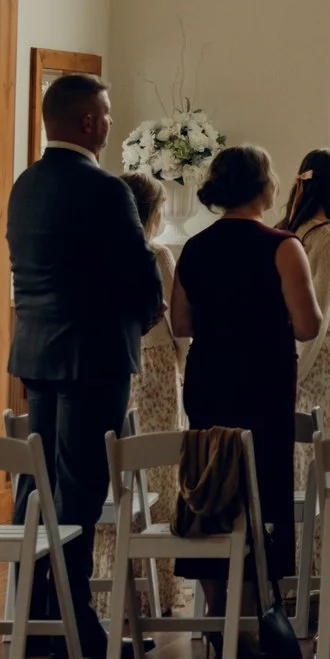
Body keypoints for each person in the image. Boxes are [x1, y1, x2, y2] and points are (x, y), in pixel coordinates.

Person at [5, 72, 165, 659]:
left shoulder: (26, 184)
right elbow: (139, 274)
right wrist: (146, 316)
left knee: (39, 484)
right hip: (92, 356)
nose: (111, 121)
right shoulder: (104, 191)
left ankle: (33, 612)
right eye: (107, 112)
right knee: (78, 494)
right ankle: (79, 628)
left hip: (36, 352)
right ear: (89, 123)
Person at [174, 145, 323, 588]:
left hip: (209, 378)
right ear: (262, 187)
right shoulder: (282, 246)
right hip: (263, 380)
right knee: (264, 489)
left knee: (212, 485)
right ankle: (262, 606)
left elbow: (181, 323)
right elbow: (308, 325)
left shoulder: (195, 247)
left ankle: (219, 613)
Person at [109, 171, 184, 611]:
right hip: (155, 366)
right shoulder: (155, 255)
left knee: (121, 473)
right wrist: (185, 366)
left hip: (119, 363)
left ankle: (115, 583)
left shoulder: (102, 254)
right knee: (160, 472)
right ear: (153, 212)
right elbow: (178, 323)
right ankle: (160, 585)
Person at [281, 148, 330, 498]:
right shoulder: (329, 237)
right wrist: (297, 376)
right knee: (326, 465)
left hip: (293, 361)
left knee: (301, 466)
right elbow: (319, 317)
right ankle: (326, 551)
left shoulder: (289, 231)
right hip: (322, 367)